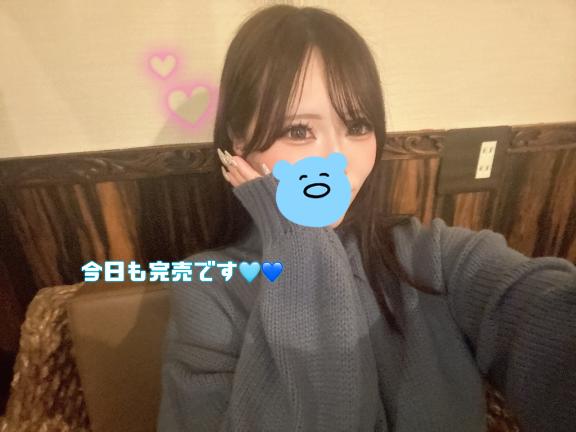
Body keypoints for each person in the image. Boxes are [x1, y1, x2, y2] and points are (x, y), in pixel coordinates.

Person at [157, 5, 576, 431]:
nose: (338, 160)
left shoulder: (431, 257)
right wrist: (298, 238)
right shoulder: (211, 291)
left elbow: (538, 310)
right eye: (299, 131)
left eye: (357, 126)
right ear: (239, 139)